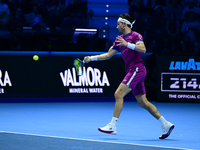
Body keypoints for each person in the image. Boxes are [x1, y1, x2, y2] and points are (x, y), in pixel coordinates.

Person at [83, 13, 175, 139]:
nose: (116, 27)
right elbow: (108, 55)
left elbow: (143, 49)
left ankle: (112, 125)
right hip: (133, 71)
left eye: (118, 24)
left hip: (137, 69)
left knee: (118, 94)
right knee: (143, 102)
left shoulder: (136, 35)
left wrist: (127, 44)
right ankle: (166, 124)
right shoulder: (118, 39)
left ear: (124, 24)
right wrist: (91, 58)